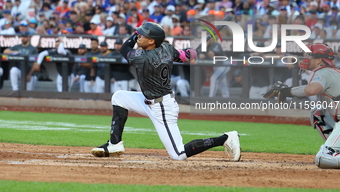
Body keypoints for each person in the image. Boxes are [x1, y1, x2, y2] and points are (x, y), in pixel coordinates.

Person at [91, 22, 241, 161]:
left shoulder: (143, 57)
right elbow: (183, 56)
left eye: (142, 35)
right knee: (119, 97)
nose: (138, 36)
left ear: (152, 41)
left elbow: (124, 49)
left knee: (179, 154)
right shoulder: (167, 48)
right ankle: (114, 143)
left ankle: (226, 138)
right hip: (147, 100)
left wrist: (135, 34)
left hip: (162, 107)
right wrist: (191, 53)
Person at [263, 43, 340, 169]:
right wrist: (288, 91)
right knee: (318, 113)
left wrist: (288, 91)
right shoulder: (331, 72)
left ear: (319, 60)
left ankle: (331, 152)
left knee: (323, 159)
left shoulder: (323, 72)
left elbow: (311, 90)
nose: (306, 58)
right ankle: (336, 149)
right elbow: (311, 88)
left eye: (310, 56)